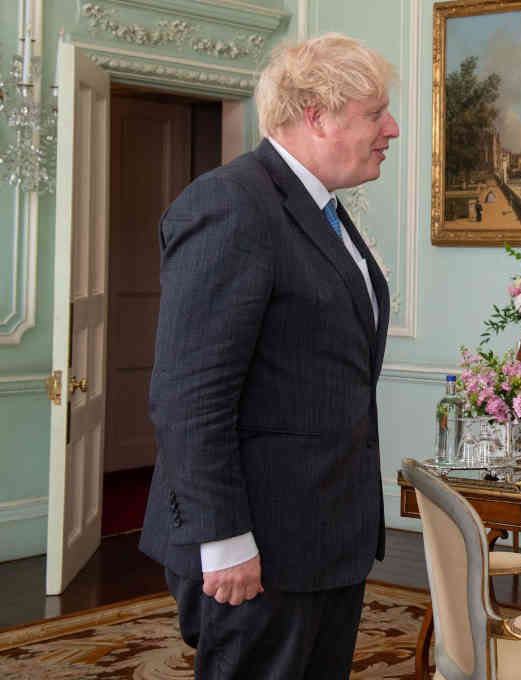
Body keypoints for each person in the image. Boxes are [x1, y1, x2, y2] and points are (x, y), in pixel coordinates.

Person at [140, 33, 398, 679]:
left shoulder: (322, 211)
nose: (390, 130)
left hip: (320, 535)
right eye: (375, 114)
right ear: (317, 114)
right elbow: (188, 394)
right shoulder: (232, 206)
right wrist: (222, 540)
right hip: (256, 540)